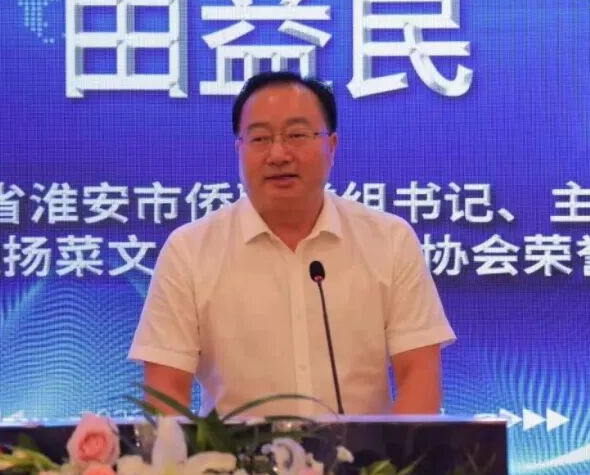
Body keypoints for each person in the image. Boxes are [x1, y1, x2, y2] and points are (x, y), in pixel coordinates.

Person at [129, 71, 455, 417]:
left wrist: (397, 453)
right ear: (239, 150)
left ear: (332, 146)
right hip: (235, 454)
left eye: (297, 135)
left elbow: (419, 373)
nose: (278, 154)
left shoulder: (389, 240)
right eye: (259, 138)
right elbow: (165, 391)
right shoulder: (189, 251)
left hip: (361, 454)